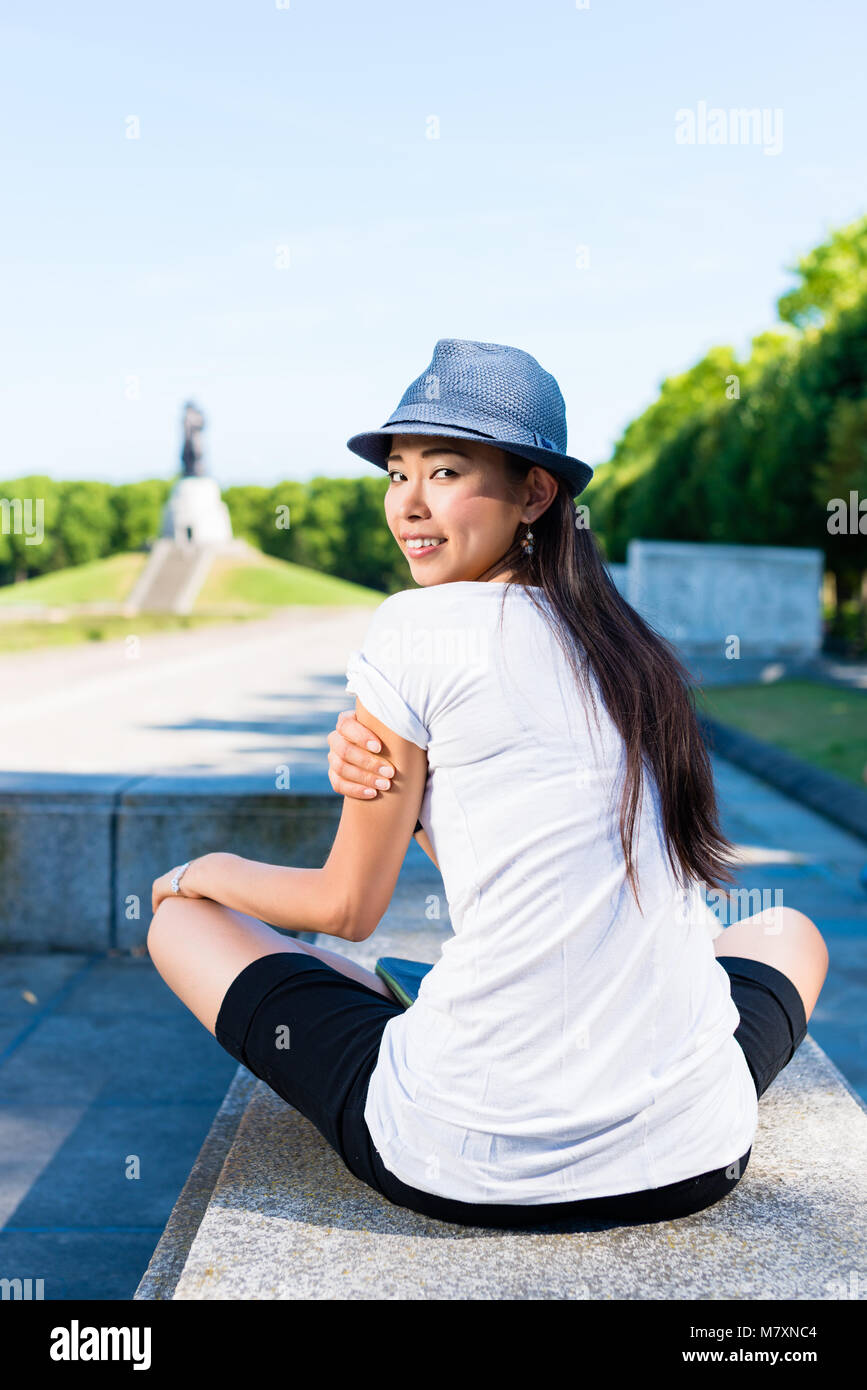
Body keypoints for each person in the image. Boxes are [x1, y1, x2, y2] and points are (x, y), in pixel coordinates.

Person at [147, 339, 828, 1230]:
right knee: (788, 930)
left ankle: (434, 1004)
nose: (410, 504)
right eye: (397, 474)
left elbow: (345, 906)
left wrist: (204, 869)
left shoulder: (413, 627)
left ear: (535, 494)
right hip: (693, 1157)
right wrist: (408, 793)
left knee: (186, 927)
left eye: (446, 470)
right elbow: (510, 836)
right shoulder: (629, 651)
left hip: (464, 1157)